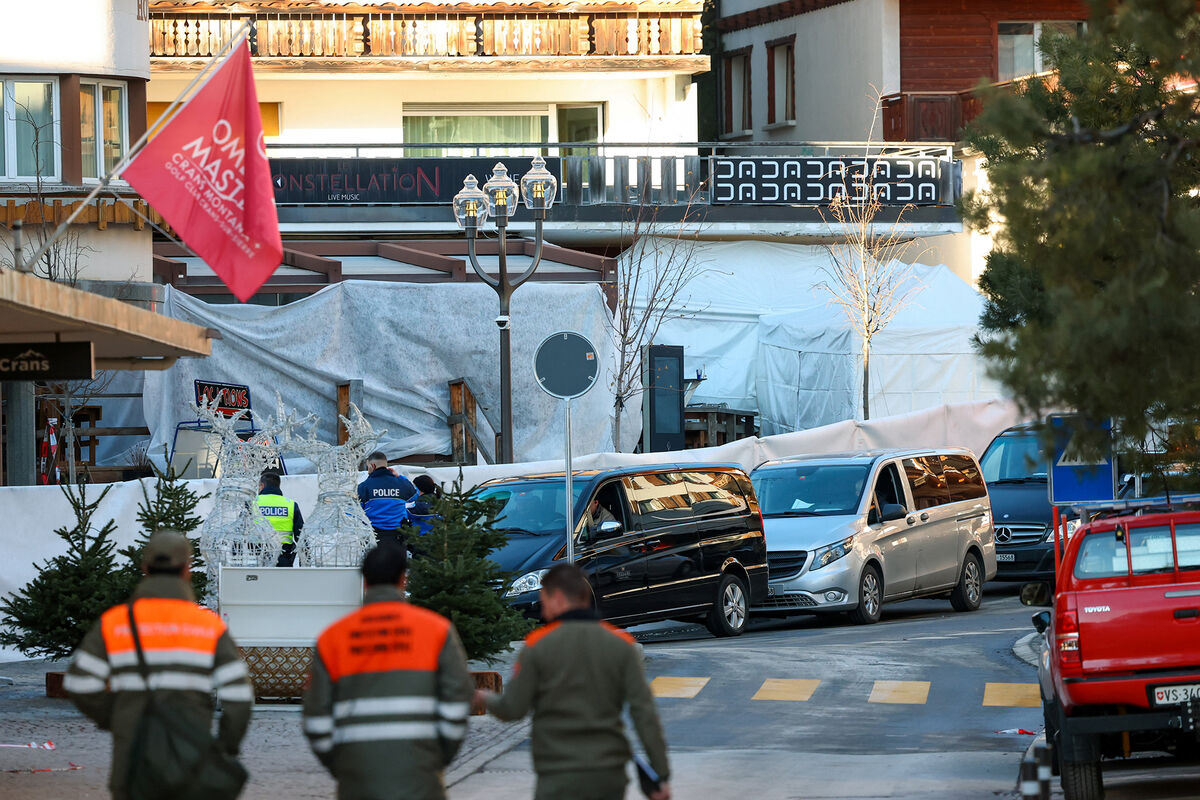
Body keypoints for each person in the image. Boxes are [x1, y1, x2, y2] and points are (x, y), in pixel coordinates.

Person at [65, 531, 254, 800]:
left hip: (132, 766)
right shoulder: (208, 626)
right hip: (193, 762)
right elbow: (240, 697)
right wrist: (226, 746)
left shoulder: (116, 622)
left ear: (145, 568)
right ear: (187, 569)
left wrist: (117, 718)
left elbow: (79, 683)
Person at [476, 563, 671, 800]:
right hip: (608, 774)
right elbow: (645, 714)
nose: (543, 609)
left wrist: (483, 697)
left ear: (558, 598)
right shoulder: (622, 645)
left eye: (545, 599)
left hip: (558, 774)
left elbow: (513, 708)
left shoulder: (537, 645)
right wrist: (660, 774)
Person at [303, 543, 474, 800]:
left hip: (356, 779)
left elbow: (316, 716)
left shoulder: (332, 639)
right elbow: (458, 699)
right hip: (421, 775)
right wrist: (439, 757)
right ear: (403, 579)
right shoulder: (436, 631)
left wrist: (341, 766)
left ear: (364, 581)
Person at [357, 450, 418, 547]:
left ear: (373, 466)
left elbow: (357, 510)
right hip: (398, 534)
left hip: (374, 534)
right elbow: (415, 495)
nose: (368, 470)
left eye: (368, 467)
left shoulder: (364, 486)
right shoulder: (401, 483)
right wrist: (399, 477)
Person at [257, 469, 304, 567]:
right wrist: (304, 563)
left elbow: (241, 532)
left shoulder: (252, 503)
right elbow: (301, 536)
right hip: (284, 558)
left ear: (262, 486)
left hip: (258, 557)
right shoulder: (291, 505)